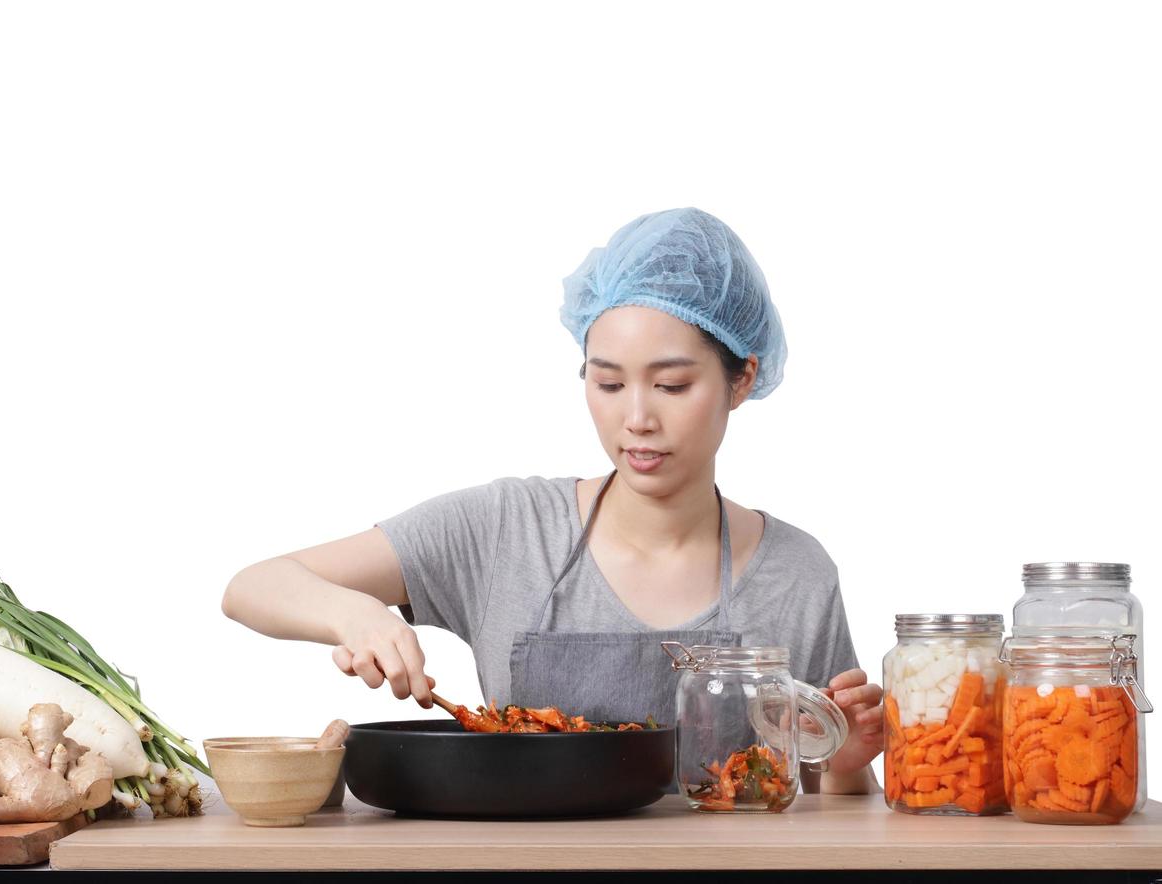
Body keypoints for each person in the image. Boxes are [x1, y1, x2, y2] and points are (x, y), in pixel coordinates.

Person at [222, 207, 882, 792]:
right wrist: (355, 615)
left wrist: (847, 761)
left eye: (673, 385)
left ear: (742, 379)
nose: (637, 418)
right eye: (608, 382)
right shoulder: (505, 530)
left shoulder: (798, 573)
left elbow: (833, 801)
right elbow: (254, 586)